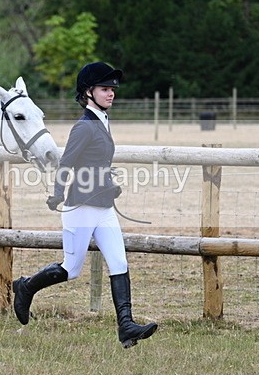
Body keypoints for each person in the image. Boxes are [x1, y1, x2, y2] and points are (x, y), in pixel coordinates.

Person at [12, 62, 158, 348]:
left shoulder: (103, 120)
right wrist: (56, 193)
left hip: (103, 207)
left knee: (119, 262)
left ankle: (126, 326)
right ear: (88, 92)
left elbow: (93, 164)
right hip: (80, 208)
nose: (111, 93)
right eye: (105, 89)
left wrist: (108, 182)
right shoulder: (84, 126)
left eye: (113, 89)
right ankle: (25, 287)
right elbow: (66, 163)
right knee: (71, 268)